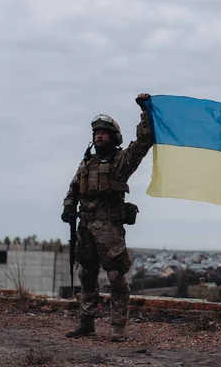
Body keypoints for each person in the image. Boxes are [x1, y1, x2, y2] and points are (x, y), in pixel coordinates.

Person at [61, 93, 153, 342]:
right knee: (86, 275)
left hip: (109, 228)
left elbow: (143, 142)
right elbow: (74, 187)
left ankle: (117, 327)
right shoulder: (86, 164)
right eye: (96, 132)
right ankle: (86, 323)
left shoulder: (120, 162)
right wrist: (69, 206)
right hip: (85, 227)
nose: (99, 135)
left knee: (115, 277)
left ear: (113, 137)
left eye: (104, 132)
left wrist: (145, 111)